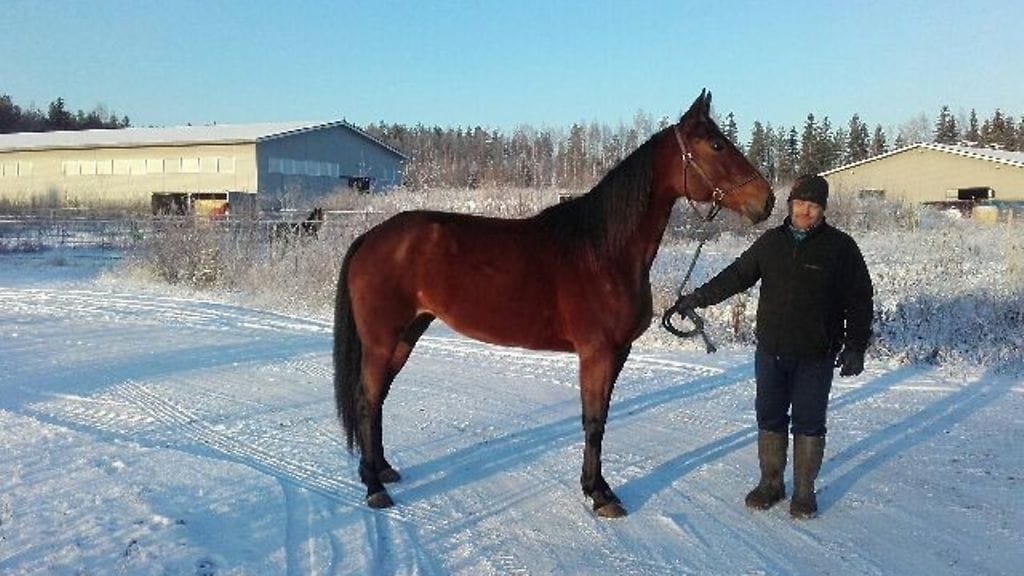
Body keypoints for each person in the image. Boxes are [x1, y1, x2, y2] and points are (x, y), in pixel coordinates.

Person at [674, 174, 873, 519]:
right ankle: (771, 483)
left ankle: (804, 491)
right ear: (790, 204)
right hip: (771, 351)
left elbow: (860, 300)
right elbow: (736, 276)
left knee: (809, 422)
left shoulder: (841, 248)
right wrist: (697, 298)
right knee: (769, 416)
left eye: (813, 205)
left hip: (815, 354)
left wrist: (856, 345)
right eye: (800, 203)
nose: (805, 211)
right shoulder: (770, 243)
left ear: (823, 209)